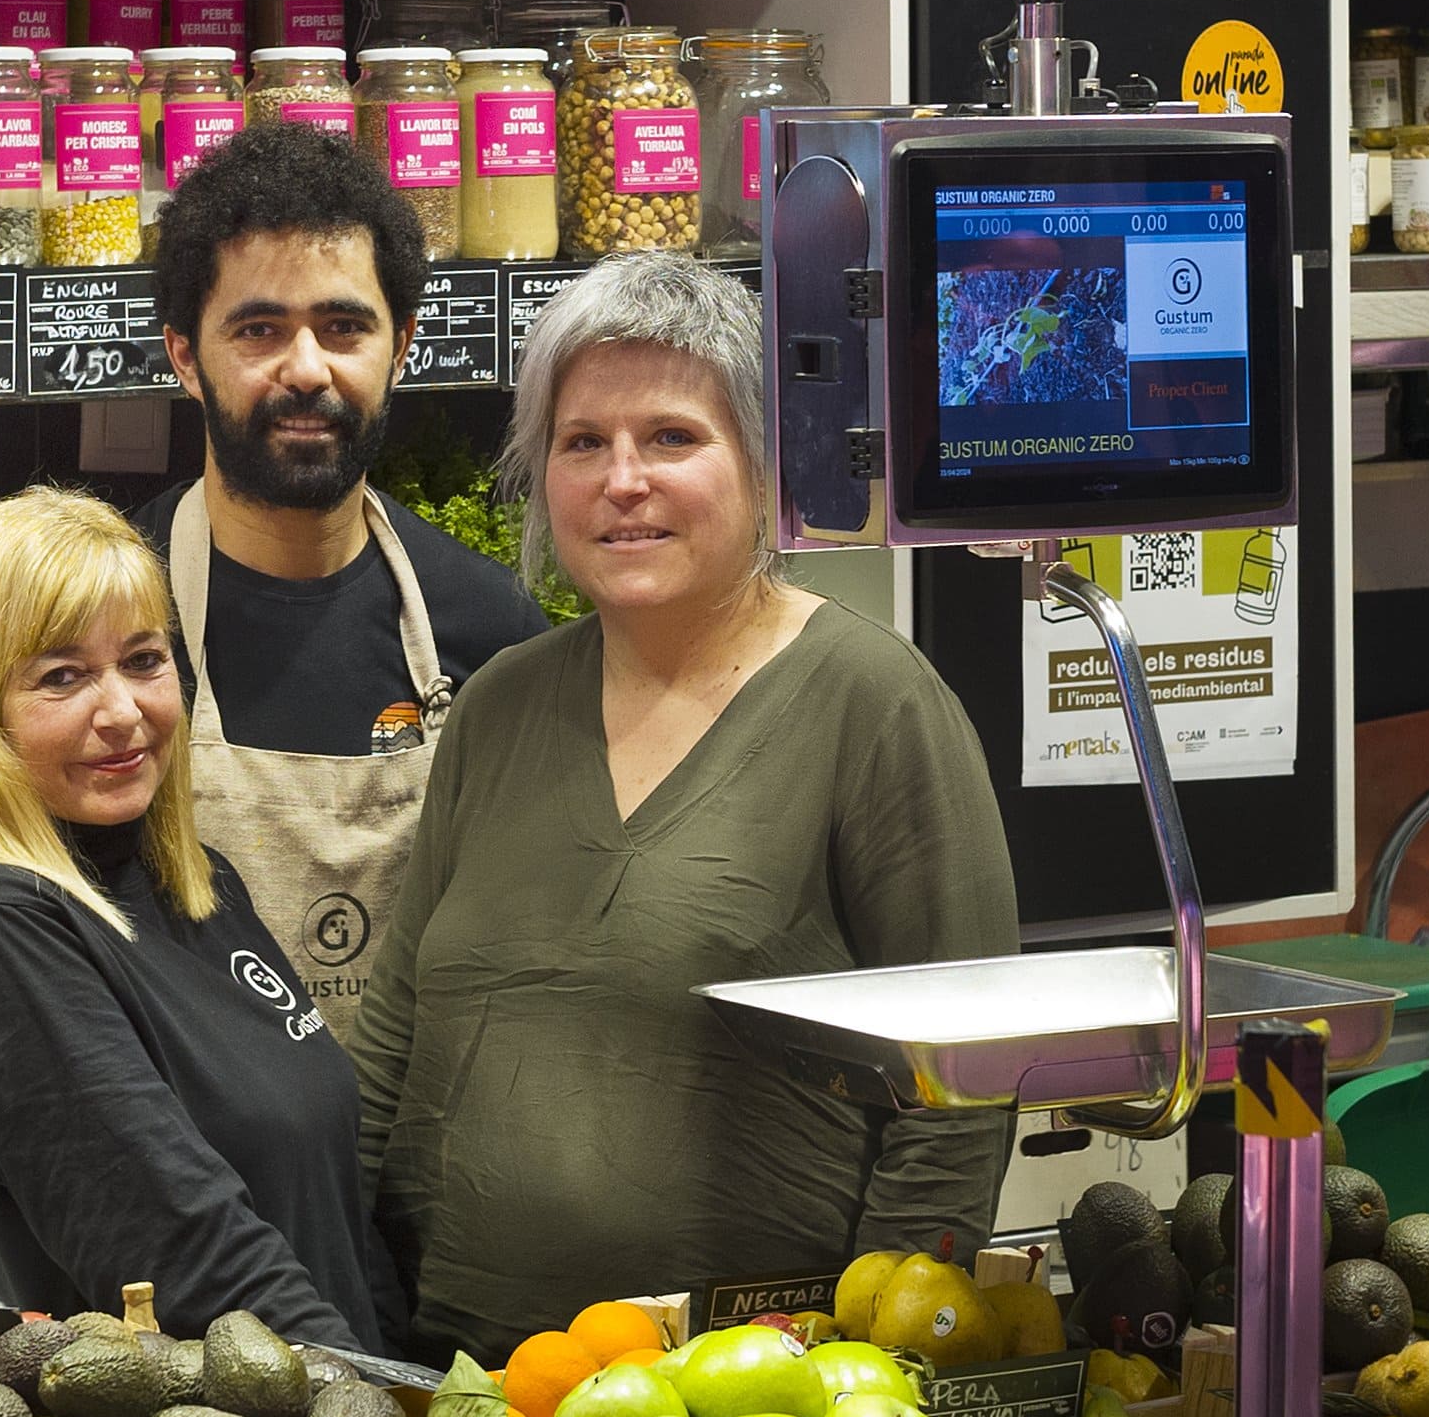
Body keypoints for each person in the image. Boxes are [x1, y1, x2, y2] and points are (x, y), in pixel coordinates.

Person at [350, 251, 1020, 1358]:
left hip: (749, 1403)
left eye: (671, 437)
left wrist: (874, 1366)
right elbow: (390, 1046)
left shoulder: (873, 704)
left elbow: (960, 1089)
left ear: (762, 464)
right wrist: (354, 1320)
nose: (622, 479)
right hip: (463, 1383)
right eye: (582, 443)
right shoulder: (497, 707)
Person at [0, 485, 401, 1348]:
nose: (121, 712)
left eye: (144, 659)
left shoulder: (196, 885)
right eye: (62, 676)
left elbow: (327, 1203)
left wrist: (411, 1389)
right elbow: (190, 1253)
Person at [138, 119, 549, 1032]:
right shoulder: (109, 621)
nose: (307, 368)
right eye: (258, 329)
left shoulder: (488, 630)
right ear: (184, 358)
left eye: (343, 326)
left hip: (420, 1154)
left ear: (399, 345)